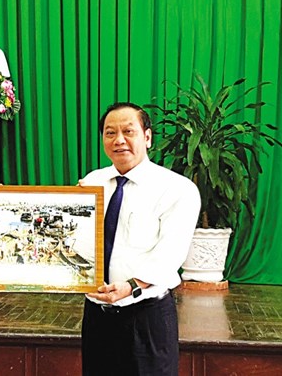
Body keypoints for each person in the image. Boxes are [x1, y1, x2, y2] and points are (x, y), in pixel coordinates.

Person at [79, 102, 201, 375]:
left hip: (146, 316)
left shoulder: (177, 188)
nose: (119, 140)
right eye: (110, 133)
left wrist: (132, 285)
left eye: (128, 131)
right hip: (97, 316)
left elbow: (170, 253)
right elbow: (68, 233)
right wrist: (0, 203)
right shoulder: (90, 183)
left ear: (147, 136)